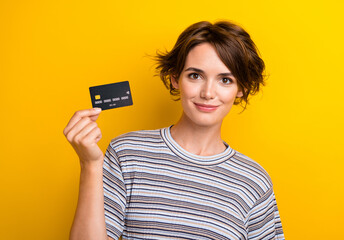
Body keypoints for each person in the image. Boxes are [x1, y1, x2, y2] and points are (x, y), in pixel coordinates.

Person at [63, 21, 285, 240]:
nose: (208, 93)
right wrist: (90, 165)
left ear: (241, 90)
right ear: (175, 78)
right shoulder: (127, 154)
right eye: (195, 76)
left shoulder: (254, 182)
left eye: (225, 80)